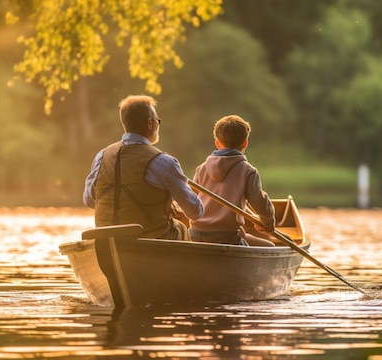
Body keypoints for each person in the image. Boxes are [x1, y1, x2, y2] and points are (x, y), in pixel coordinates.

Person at [83, 94, 203, 240]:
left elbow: (89, 200)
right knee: (182, 226)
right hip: (150, 237)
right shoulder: (164, 162)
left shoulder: (102, 156)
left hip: (106, 238)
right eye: (158, 121)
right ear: (150, 123)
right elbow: (195, 211)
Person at [189, 115, 276, 246]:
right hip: (226, 237)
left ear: (217, 142)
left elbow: (191, 199)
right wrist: (268, 222)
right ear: (245, 142)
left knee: (243, 234)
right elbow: (259, 202)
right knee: (270, 246)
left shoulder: (201, 169)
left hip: (195, 233)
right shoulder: (248, 171)